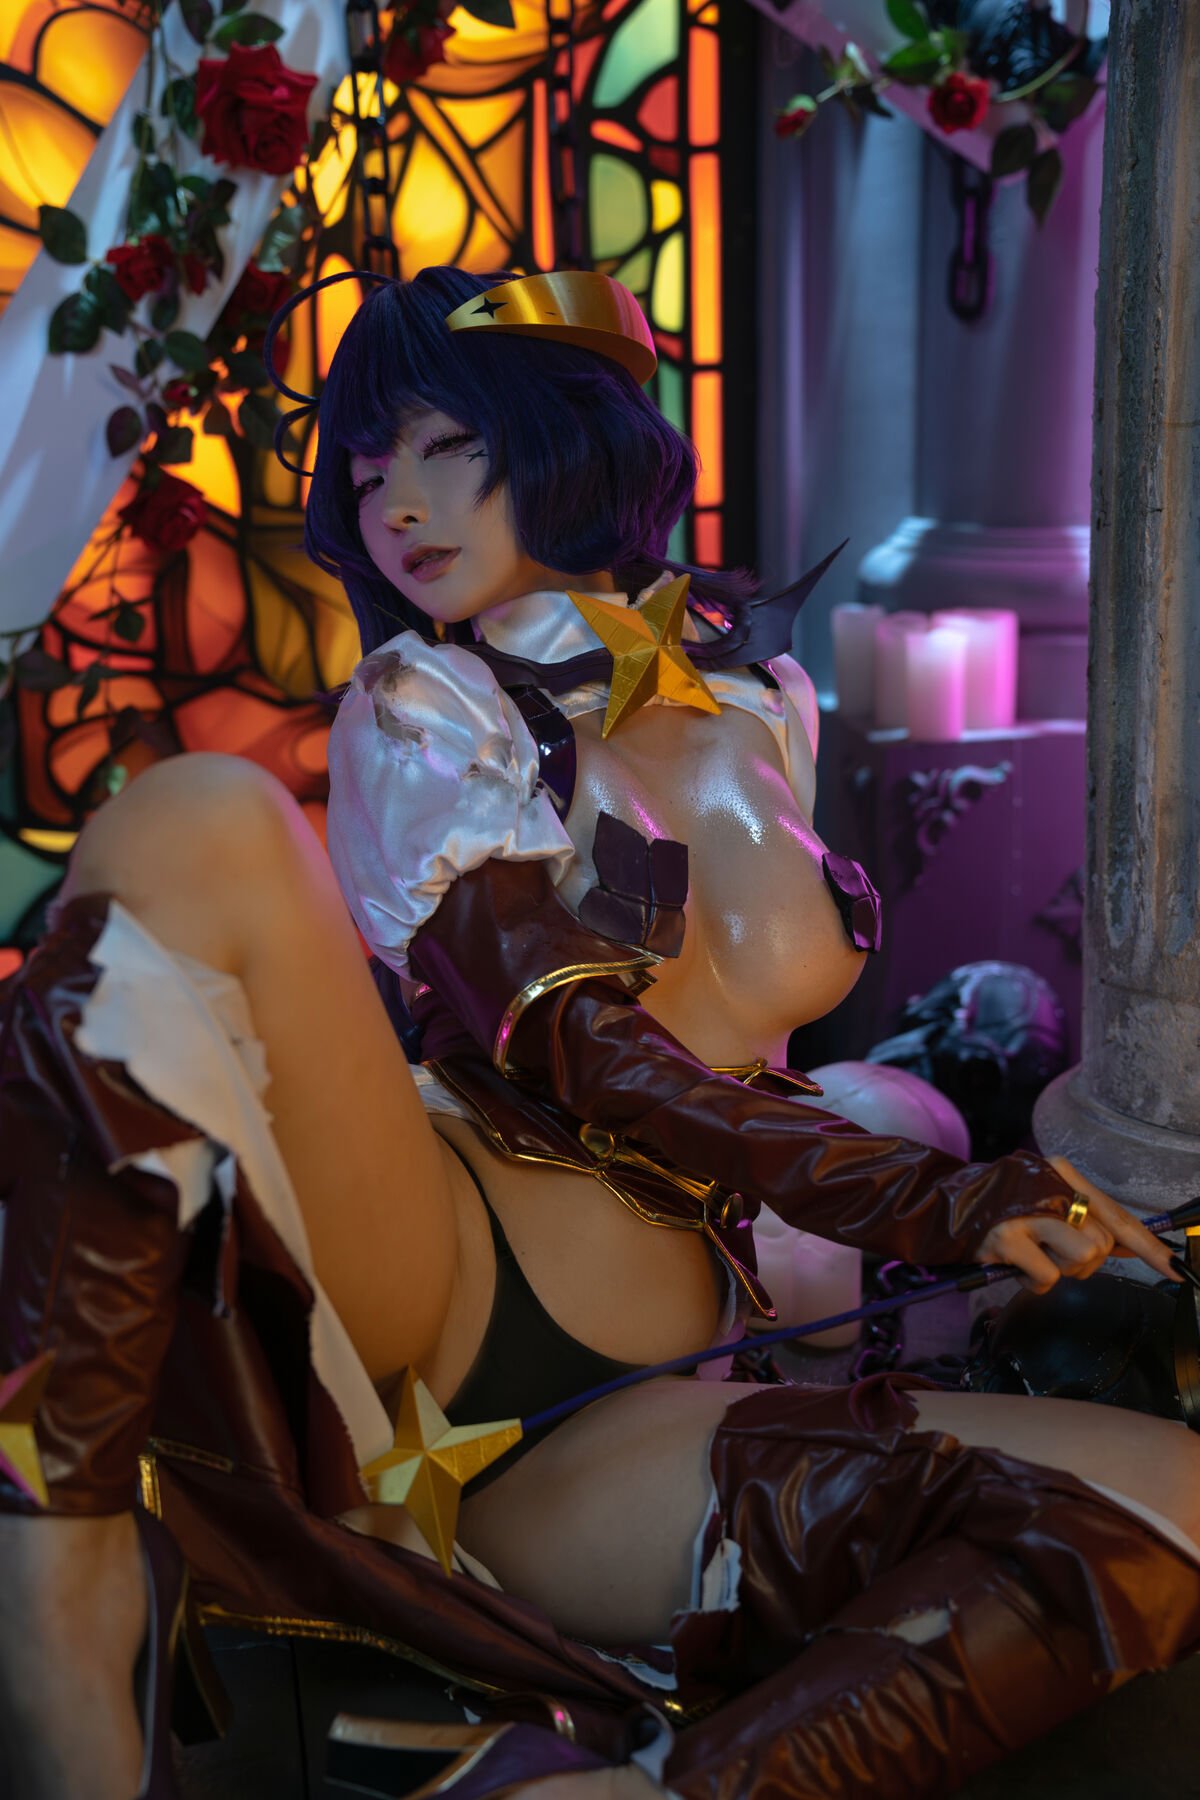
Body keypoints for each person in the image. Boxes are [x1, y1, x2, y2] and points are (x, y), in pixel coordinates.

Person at [2, 264, 1200, 1800]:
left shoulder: (764, 693)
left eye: (445, 446)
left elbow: (758, 1057)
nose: (396, 506)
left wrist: (928, 1194)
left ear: (561, 429)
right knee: (206, 815)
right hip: (454, 1274)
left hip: (622, 1412)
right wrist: (936, 1201)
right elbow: (582, 1050)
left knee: (1168, 1493)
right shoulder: (429, 706)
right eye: (366, 474)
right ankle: (60, 1560)